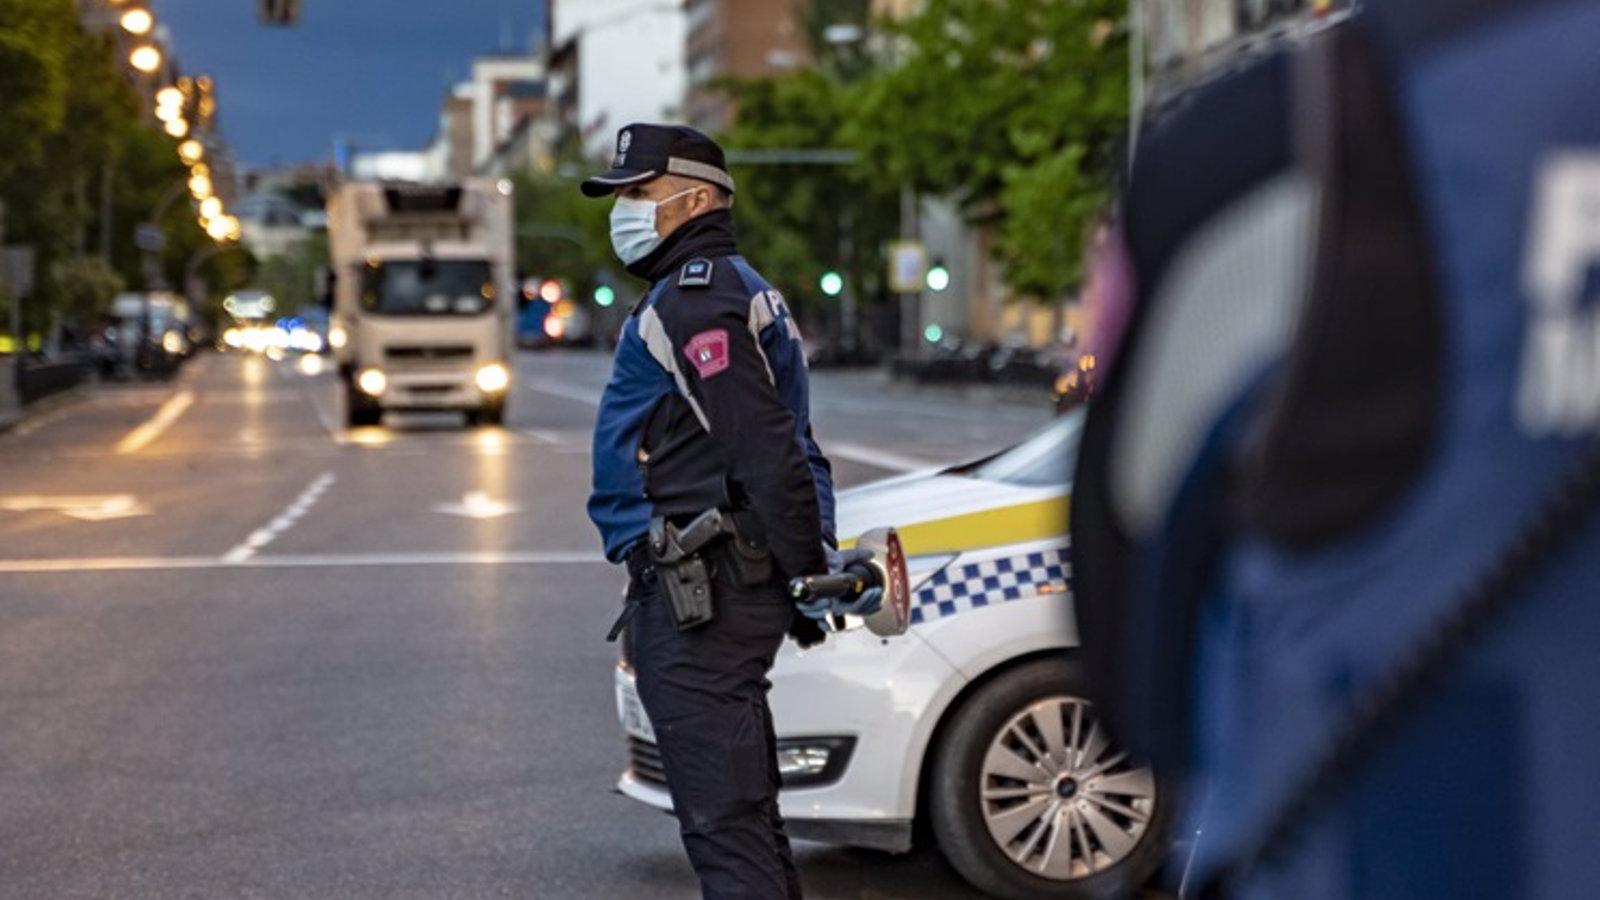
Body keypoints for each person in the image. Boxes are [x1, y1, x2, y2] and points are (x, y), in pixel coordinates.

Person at [583, 124, 875, 900]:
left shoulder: (697, 300)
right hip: (713, 587)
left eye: (639, 194)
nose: (625, 210)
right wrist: (800, 578)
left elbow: (766, 447)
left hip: (704, 599)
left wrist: (807, 571)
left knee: (726, 828)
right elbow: (790, 446)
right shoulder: (721, 287)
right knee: (742, 817)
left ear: (697, 198)